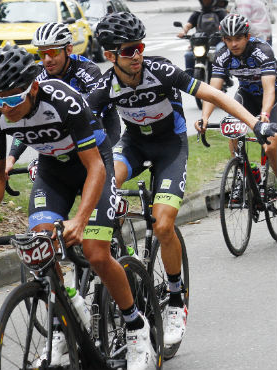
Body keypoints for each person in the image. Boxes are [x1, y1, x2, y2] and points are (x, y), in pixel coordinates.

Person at [0, 43, 157, 370]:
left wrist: (80, 220)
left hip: (94, 166)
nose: (5, 107)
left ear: (34, 87)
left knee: (95, 251)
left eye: (13, 98)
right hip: (53, 171)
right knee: (40, 242)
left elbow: (95, 167)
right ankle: (63, 321)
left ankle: (137, 328)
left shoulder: (63, 101)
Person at [88, 11, 277, 346]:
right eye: (129, 50)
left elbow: (214, 95)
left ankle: (176, 300)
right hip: (132, 145)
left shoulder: (159, 69)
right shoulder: (105, 87)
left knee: (162, 227)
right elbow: (79, 128)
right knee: (104, 186)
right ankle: (120, 268)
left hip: (170, 148)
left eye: (140, 47)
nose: (137, 55)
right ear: (109, 55)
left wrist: (255, 123)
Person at [5, 22, 121, 173]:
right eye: (42, 54)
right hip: (61, 138)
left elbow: (93, 117)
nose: (47, 59)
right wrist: (11, 158)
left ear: (68, 49)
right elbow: (27, 121)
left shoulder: (87, 71)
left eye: (52, 52)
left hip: (98, 126)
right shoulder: (38, 76)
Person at [196, 13, 277, 178]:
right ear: (223, 39)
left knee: (271, 145)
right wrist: (204, 117)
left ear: (247, 37)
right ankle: (245, 174)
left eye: (238, 38)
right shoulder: (222, 56)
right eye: (228, 39)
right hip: (246, 95)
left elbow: (269, 89)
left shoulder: (263, 51)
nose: (233, 44)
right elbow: (213, 92)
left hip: (272, 98)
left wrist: (265, 113)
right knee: (233, 132)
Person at [177, 0, 227, 76]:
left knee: (220, 53)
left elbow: (226, 25)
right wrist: (183, 32)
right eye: (204, 1)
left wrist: (224, 33)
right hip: (200, 43)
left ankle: (224, 76)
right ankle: (188, 79)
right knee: (189, 55)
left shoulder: (220, 13)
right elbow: (188, 25)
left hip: (217, 42)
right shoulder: (197, 13)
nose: (206, 2)